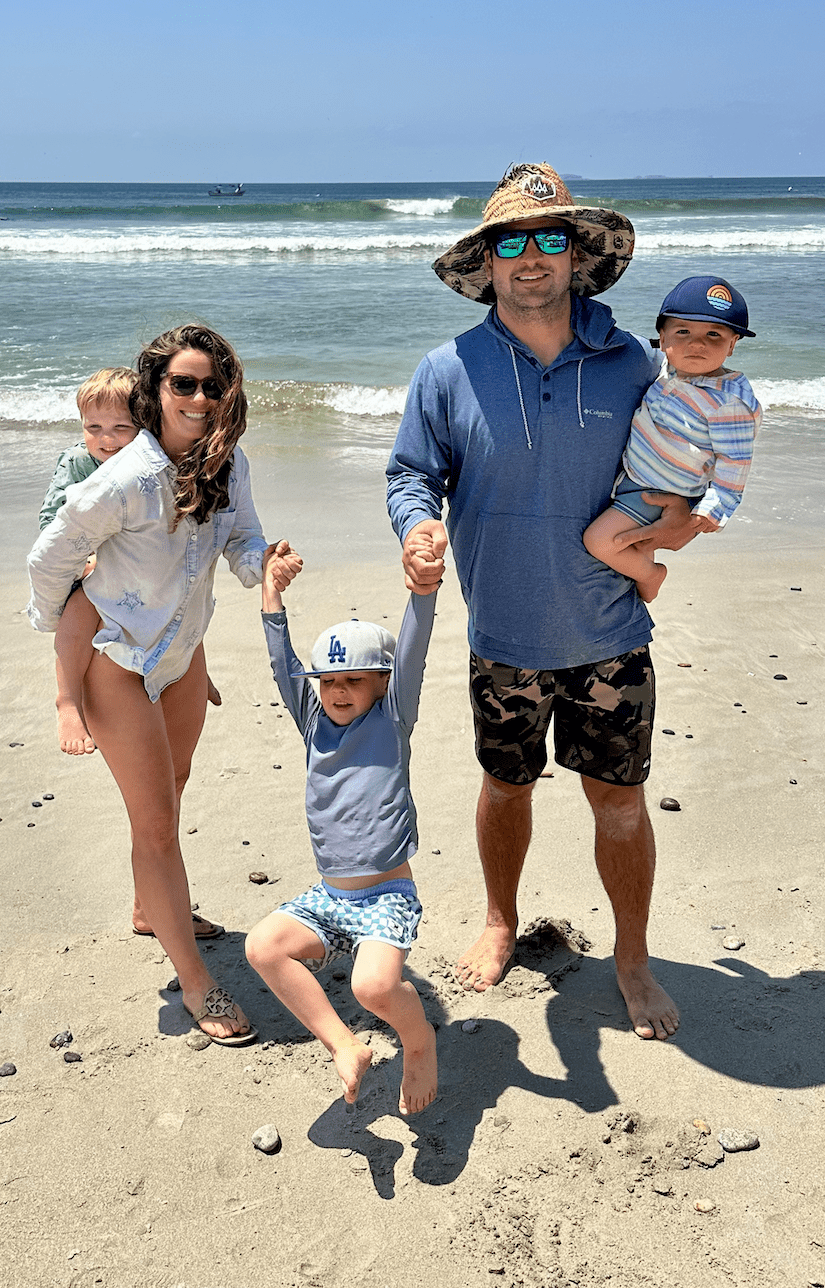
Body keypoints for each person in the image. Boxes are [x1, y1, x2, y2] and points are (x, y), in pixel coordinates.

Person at [387, 162, 702, 1041]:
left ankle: (632, 959)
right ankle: (499, 920)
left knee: (622, 803)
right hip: (505, 635)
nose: (529, 258)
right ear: (486, 262)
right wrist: (417, 529)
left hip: (610, 635)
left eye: (548, 239)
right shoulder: (448, 369)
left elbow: (684, 463)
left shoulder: (634, 362)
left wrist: (681, 521)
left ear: (578, 255)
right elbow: (413, 474)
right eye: (510, 242)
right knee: (505, 787)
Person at [28, 323, 299, 1042]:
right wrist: (68, 625)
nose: (200, 396)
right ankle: (197, 983)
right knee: (154, 824)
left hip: (183, 659)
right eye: (184, 383)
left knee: (171, 793)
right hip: (117, 663)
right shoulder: (126, 478)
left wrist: (261, 567)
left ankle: (153, 909)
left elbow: (242, 536)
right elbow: (50, 554)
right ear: (155, 390)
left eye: (213, 384)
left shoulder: (227, 465)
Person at [246, 545, 438, 1113]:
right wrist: (271, 597)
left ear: (381, 683)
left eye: (354, 680)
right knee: (263, 947)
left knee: (373, 988)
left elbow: (413, 654)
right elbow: (284, 669)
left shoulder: (392, 717)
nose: (337, 691)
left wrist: (421, 592)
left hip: (385, 896)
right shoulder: (313, 724)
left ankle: (419, 1039)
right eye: (328, 680)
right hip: (328, 896)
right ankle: (344, 1045)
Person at [39, 367, 223, 758]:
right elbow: (52, 521)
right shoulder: (76, 463)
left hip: (143, 572)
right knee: (79, 613)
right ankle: (67, 700)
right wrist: (86, 558)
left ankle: (191, 671)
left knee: (182, 590)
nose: (105, 440)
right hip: (92, 569)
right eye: (93, 427)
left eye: (120, 427)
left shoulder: (152, 465)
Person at [583, 276, 761, 601]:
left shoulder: (728, 402)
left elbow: (735, 461)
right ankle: (641, 567)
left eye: (714, 335)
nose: (697, 344)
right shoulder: (671, 370)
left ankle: (652, 574)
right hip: (638, 477)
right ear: (663, 339)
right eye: (683, 332)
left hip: (661, 490)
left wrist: (714, 508)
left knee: (599, 541)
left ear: (732, 344)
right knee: (634, 543)